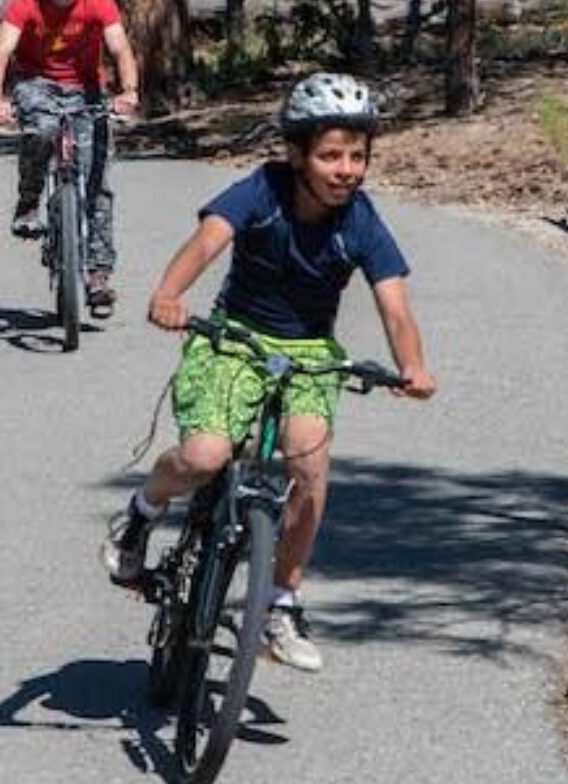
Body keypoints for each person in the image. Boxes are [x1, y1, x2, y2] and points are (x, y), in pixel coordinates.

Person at [100, 73, 438, 673]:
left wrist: (413, 366)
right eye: (331, 155)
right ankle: (141, 514)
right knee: (204, 456)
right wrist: (169, 294)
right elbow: (209, 241)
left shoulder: (360, 218)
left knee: (309, 466)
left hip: (309, 351)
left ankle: (281, 603)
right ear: (297, 153)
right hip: (232, 338)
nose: (346, 169)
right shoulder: (263, 190)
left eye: (357, 156)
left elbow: (394, 303)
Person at [0, 0, 140, 315]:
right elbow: (2, 51)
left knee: (97, 181)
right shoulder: (26, 1)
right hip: (38, 84)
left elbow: (120, 48)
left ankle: (99, 275)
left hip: (87, 89)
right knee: (41, 131)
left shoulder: (98, 1)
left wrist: (129, 91)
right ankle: (29, 202)